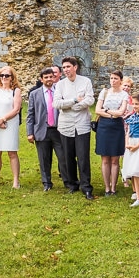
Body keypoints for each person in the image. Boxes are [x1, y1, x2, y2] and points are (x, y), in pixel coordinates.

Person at [54, 56, 95, 199]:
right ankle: (72, 183)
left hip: (82, 124)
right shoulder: (60, 85)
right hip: (66, 125)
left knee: (83, 156)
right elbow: (57, 103)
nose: (65, 70)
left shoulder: (85, 81)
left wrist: (76, 106)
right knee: (68, 156)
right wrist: (75, 100)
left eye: (68, 67)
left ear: (75, 67)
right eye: (63, 67)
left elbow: (90, 99)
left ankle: (86, 186)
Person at [25, 67, 65, 191]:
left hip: (58, 129)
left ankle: (67, 180)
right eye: (46, 77)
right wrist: (29, 132)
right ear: (41, 79)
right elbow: (30, 114)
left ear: (54, 78)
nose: (49, 79)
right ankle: (47, 183)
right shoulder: (34, 94)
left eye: (51, 77)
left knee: (63, 157)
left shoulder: (60, 91)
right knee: (44, 158)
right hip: (42, 130)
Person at [0, 66, 23, 188]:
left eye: (7, 75)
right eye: (2, 75)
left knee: (12, 152)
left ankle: (15, 181)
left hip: (10, 123)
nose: (4, 78)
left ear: (12, 77)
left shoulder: (15, 91)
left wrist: (3, 119)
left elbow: (16, 109)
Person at [95, 70, 128, 196]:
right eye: (111, 78)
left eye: (115, 78)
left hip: (116, 126)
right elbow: (98, 110)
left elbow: (121, 112)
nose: (113, 81)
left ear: (120, 80)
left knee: (115, 159)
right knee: (105, 158)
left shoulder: (124, 94)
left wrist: (107, 110)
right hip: (103, 126)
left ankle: (113, 187)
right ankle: (107, 187)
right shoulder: (104, 92)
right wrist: (111, 113)